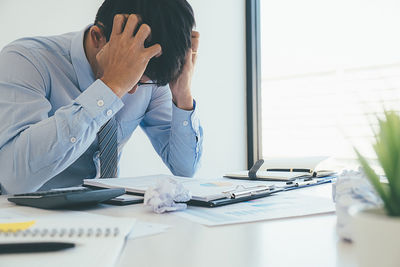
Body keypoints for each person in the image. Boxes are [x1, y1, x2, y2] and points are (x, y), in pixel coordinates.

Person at [0, 0, 203, 194]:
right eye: (132, 79)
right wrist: (110, 87)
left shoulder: (148, 76)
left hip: (109, 216)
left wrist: (182, 94)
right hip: (31, 221)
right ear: (97, 37)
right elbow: (14, 180)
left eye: (140, 82)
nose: (132, 90)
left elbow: (184, 169)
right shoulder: (25, 60)